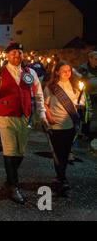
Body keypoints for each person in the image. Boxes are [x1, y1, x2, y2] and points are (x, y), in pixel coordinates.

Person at [0, 42, 49, 204]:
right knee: (9, 150)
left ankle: (10, 179)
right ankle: (14, 186)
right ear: (7, 55)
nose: (17, 55)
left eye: (19, 53)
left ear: (23, 55)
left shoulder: (31, 73)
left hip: (25, 116)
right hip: (6, 116)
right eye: (13, 53)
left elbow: (38, 94)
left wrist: (41, 114)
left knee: (20, 152)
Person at [44, 61, 85, 197]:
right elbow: (44, 104)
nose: (67, 73)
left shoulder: (74, 86)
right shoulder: (51, 87)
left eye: (69, 71)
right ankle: (62, 179)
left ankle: (60, 178)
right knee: (58, 154)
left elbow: (80, 102)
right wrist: (49, 117)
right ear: (57, 72)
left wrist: (79, 104)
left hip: (70, 125)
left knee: (65, 153)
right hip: (56, 125)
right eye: (64, 71)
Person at [78, 51, 97, 140]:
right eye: (96, 59)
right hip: (88, 94)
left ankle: (94, 132)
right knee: (87, 114)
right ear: (90, 59)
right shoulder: (83, 68)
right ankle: (85, 133)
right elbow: (79, 80)